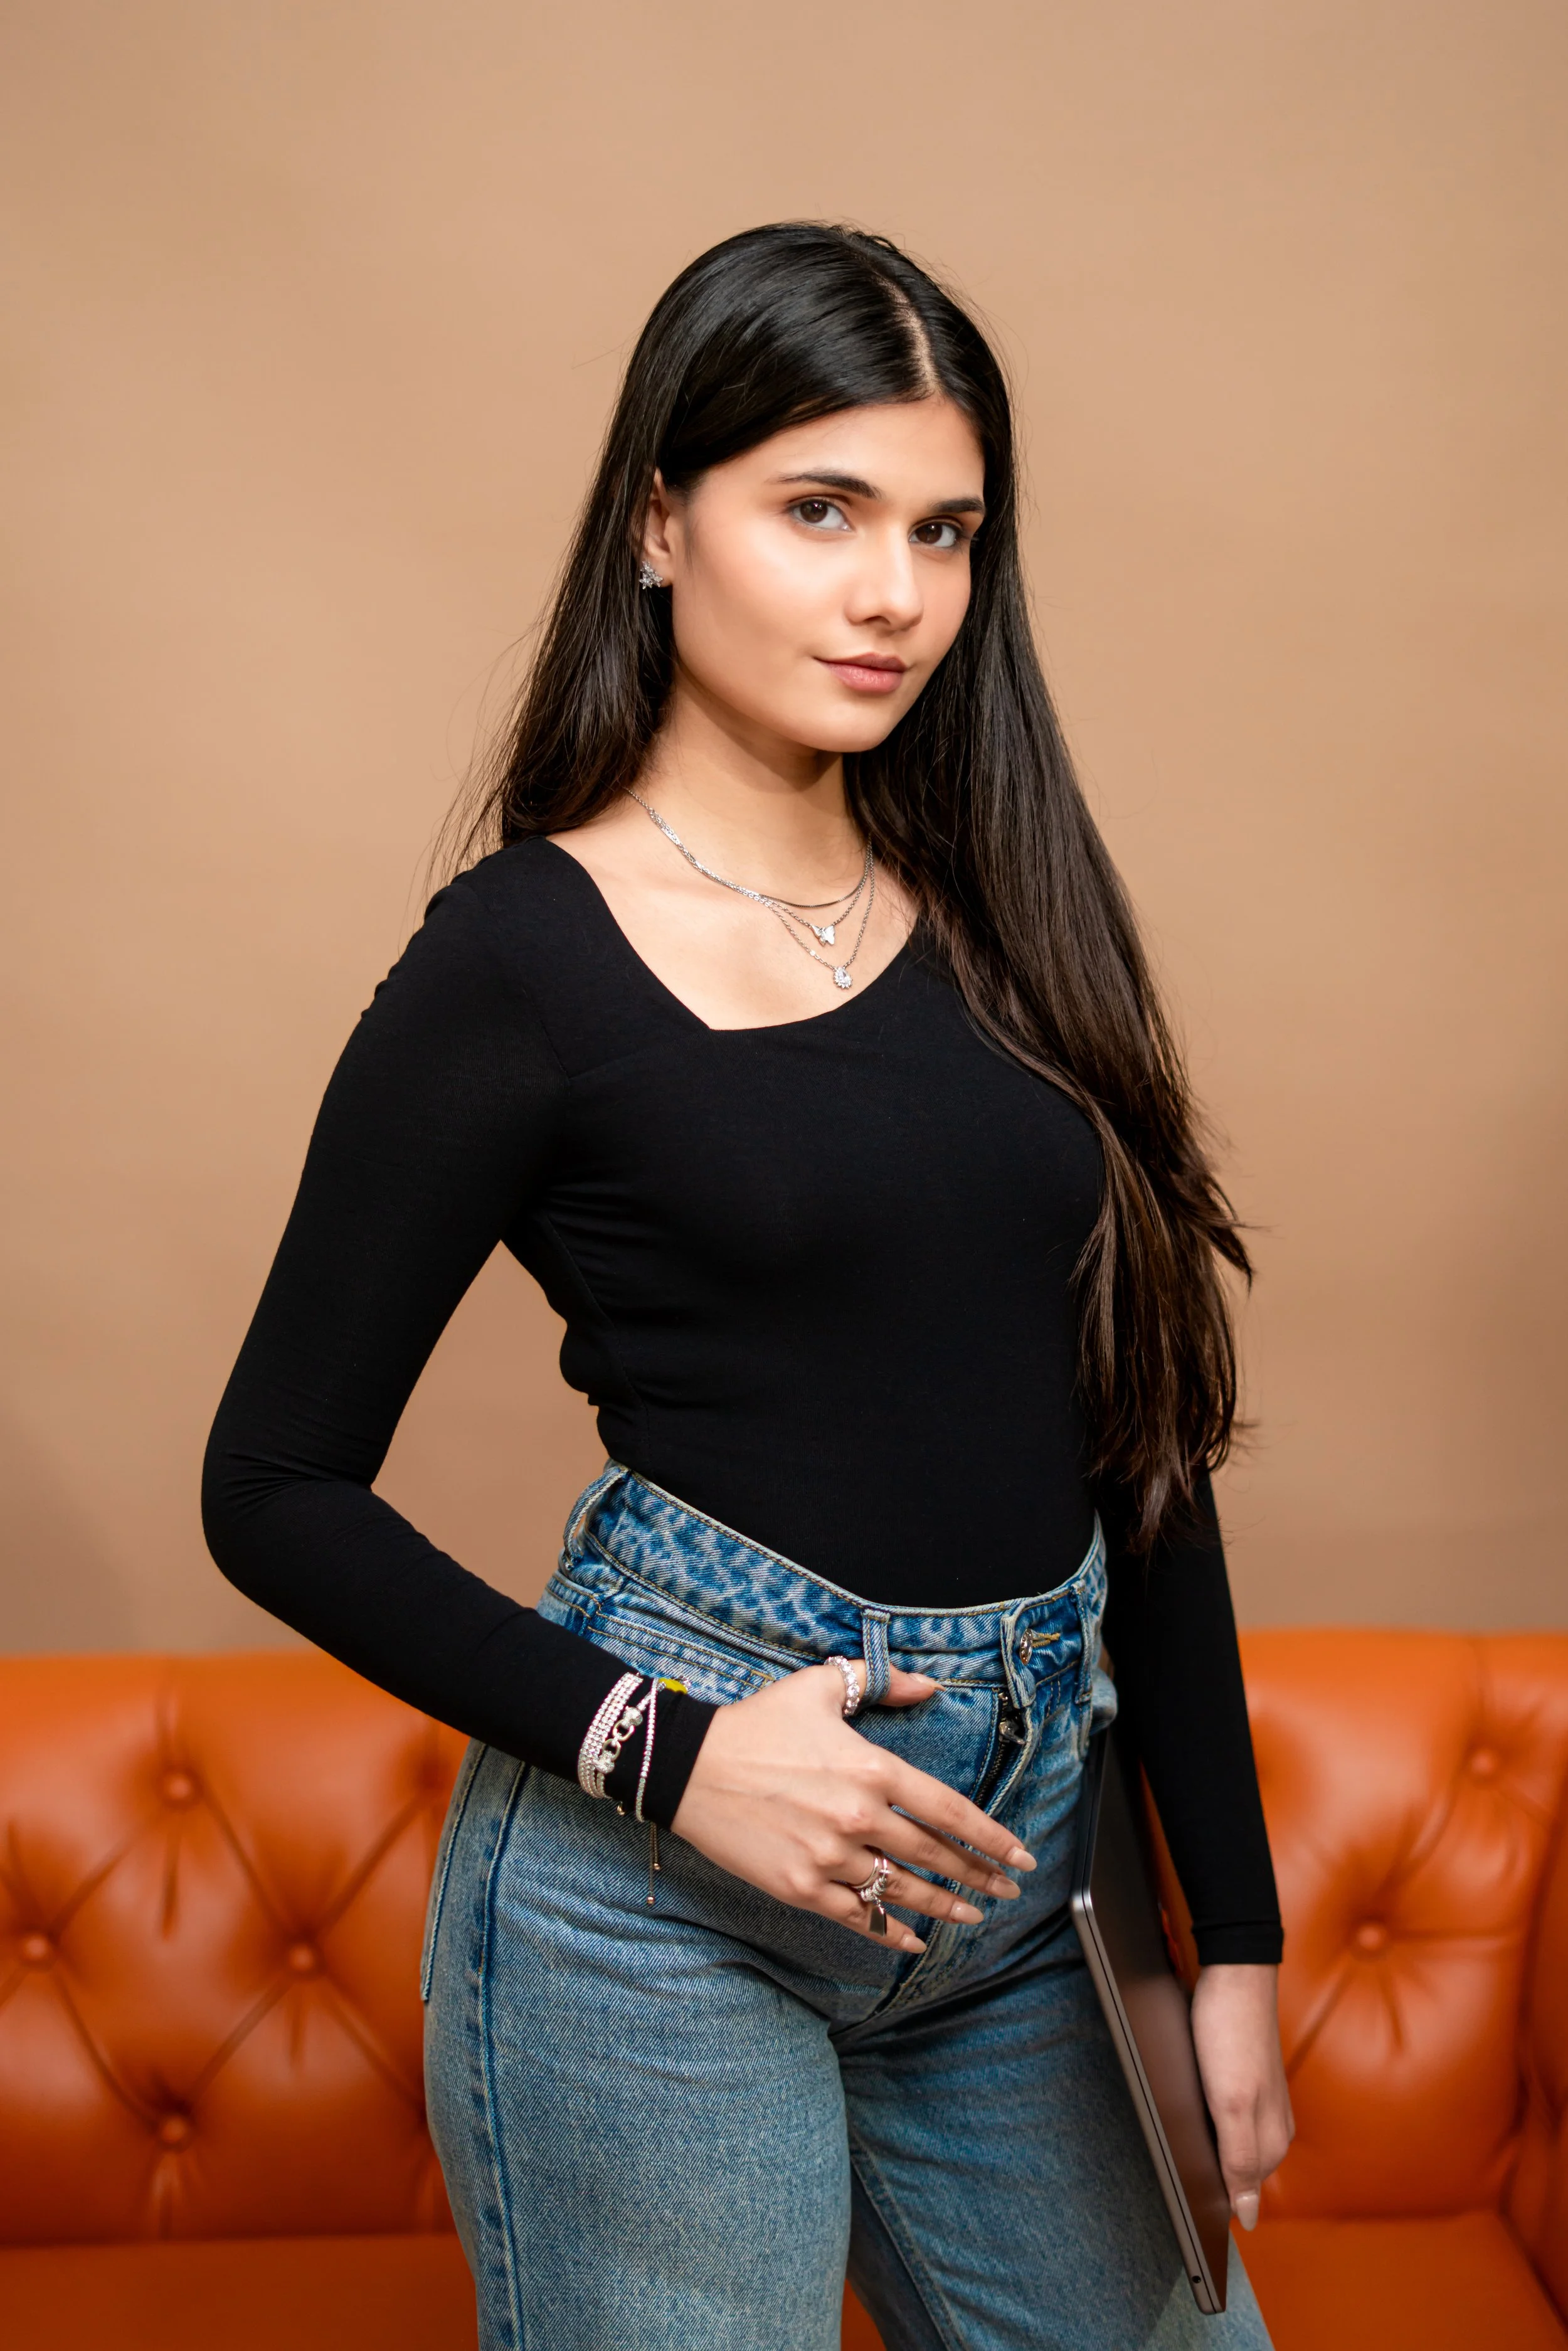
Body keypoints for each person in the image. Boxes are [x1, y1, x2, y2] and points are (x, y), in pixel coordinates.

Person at [204, 222, 1293, 2350]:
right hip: (658, 1907)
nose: (893, 592)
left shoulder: (1011, 914)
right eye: (820, 510)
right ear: (656, 524)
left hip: (1013, 1882)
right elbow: (273, 1485)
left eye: (942, 530)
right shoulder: (518, 962)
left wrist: (1221, 1938)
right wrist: (666, 1753)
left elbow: (1140, 1431)